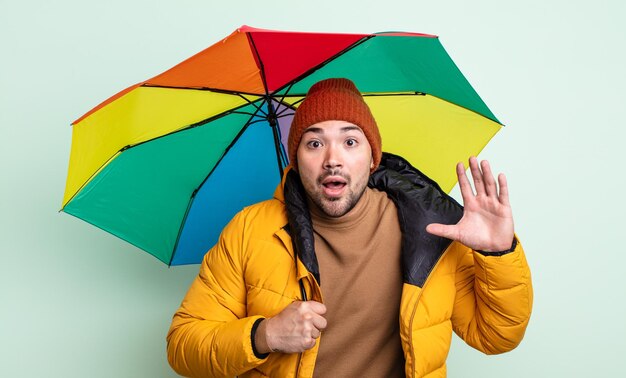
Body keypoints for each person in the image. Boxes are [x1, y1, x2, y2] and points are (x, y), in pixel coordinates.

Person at [166, 78, 533, 378]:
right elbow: (183, 346)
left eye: (350, 141)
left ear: (373, 158)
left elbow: (496, 337)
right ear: (295, 161)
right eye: (314, 143)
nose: (332, 159)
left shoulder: (431, 228)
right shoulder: (251, 229)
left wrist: (497, 253)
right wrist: (265, 334)